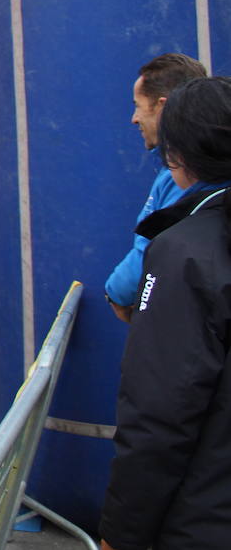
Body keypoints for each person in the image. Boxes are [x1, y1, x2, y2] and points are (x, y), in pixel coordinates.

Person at [100, 76, 231, 550]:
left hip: (204, 516)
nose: (135, 119)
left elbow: (160, 412)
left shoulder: (184, 252)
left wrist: (120, 530)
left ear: (179, 152)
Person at [104, 52, 210, 320]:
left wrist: (118, 291)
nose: (134, 118)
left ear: (162, 107)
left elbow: (155, 248)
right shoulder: (173, 168)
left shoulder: (191, 171)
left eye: (138, 105)